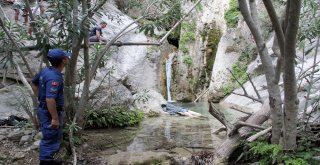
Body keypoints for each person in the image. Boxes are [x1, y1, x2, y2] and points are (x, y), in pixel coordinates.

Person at [31, 48, 70, 165]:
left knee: (52, 136)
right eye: (66, 57)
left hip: (45, 109)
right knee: (50, 137)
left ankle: (48, 160)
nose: (68, 58)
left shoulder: (46, 71)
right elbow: (50, 99)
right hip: (50, 112)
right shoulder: (54, 78)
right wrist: (54, 117)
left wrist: (40, 96)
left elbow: (33, 83)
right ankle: (46, 162)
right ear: (63, 60)